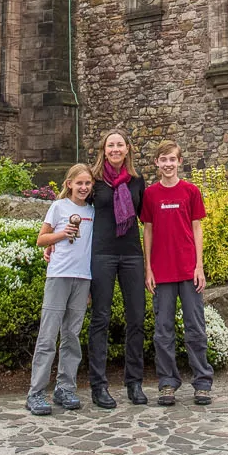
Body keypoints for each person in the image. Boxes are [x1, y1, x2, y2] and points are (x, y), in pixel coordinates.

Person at [141, 140, 213, 406]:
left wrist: (199, 266)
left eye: (173, 159)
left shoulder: (190, 191)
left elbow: (197, 228)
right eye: (163, 160)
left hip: (188, 270)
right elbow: (147, 231)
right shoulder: (150, 195)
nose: (168, 164)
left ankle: (202, 382)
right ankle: (167, 383)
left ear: (180, 162)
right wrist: (148, 268)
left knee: (195, 328)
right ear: (157, 164)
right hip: (161, 273)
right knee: (163, 331)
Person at [26, 163, 96, 416]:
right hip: (59, 276)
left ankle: (65, 388)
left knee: (71, 336)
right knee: (48, 336)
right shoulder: (58, 207)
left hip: (82, 277)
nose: (84, 187)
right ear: (69, 184)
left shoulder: (92, 211)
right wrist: (59, 236)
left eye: (88, 183)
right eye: (79, 183)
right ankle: (36, 392)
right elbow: (41, 239)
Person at [87, 127, 148, 408]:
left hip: (132, 255)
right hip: (102, 255)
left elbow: (148, 222)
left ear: (127, 150)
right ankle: (98, 386)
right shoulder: (94, 181)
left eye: (119, 145)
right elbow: (73, 210)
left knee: (136, 318)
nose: (115, 149)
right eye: (110, 145)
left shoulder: (137, 181)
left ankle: (134, 382)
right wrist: (54, 241)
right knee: (100, 319)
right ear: (103, 150)